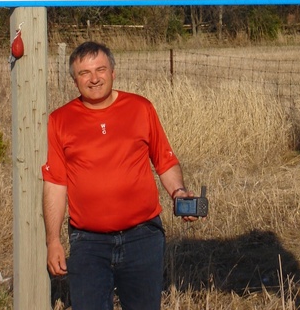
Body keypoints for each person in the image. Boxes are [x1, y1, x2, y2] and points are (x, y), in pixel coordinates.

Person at [42, 41, 195, 310]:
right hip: (88, 242)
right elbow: (55, 183)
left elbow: (164, 160)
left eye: (100, 69)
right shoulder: (60, 120)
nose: (93, 79)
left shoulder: (140, 108)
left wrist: (179, 193)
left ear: (113, 71)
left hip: (143, 236)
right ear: (74, 80)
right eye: (84, 73)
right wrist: (53, 240)